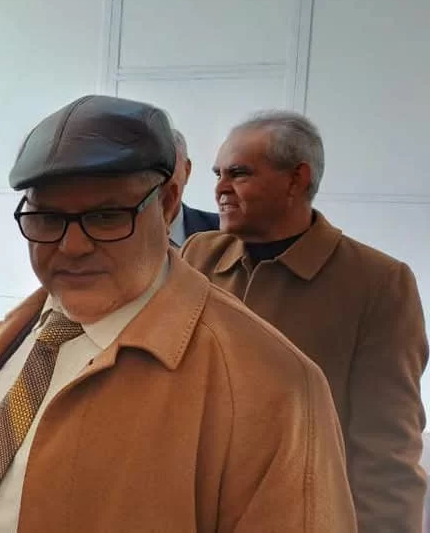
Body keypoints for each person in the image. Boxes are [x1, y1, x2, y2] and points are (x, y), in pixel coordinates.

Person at [0, 95, 355, 532]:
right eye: (47, 218)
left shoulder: (274, 389)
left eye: (107, 216)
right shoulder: (16, 332)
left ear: (168, 203)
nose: (72, 246)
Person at [182, 110, 428, 532]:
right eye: (217, 174)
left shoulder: (378, 283)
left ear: (297, 179)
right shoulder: (197, 255)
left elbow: (387, 447)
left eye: (239, 173)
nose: (220, 188)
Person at [168, 127, 219, 245]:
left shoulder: (223, 233)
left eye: (166, 167)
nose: (156, 179)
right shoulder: (123, 236)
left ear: (187, 170)